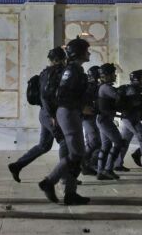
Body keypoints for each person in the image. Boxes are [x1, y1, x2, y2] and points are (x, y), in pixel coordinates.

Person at [39, 37, 91, 205]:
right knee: (77, 154)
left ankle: (70, 193)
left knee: (75, 154)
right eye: (86, 50)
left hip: (70, 112)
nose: (89, 53)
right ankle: (49, 182)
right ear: (79, 53)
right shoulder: (72, 70)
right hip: (68, 113)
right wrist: (81, 107)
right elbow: (64, 94)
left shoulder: (74, 69)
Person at [8, 47, 68, 182]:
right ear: (59, 59)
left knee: (44, 146)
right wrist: (53, 116)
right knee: (65, 142)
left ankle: (17, 166)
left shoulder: (45, 73)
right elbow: (47, 97)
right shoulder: (54, 73)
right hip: (50, 114)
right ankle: (64, 176)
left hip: (44, 113)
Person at [115, 70, 142, 172]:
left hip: (129, 118)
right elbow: (137, 102)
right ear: (138, 79)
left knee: (125, 141)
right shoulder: (133, 89)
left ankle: (117, 164)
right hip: (131, 118)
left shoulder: (134, 88)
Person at [95, 63, 123, 181]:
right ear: (106, 75)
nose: (115, 76)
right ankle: (108, 169)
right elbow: (120, 98)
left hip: (103, 119)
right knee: (118, 142)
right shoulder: (106, 88)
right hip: (104, 120)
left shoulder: (103, 87)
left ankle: (101, 171)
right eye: (113, 74)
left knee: (106, 145)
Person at [81, 65, 102, 175]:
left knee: (94, 141)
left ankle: (90, 163)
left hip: (93, 116)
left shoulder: (95, 85)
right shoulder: (89, 86)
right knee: (94, 141)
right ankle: (83, 162)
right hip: (87, 117)